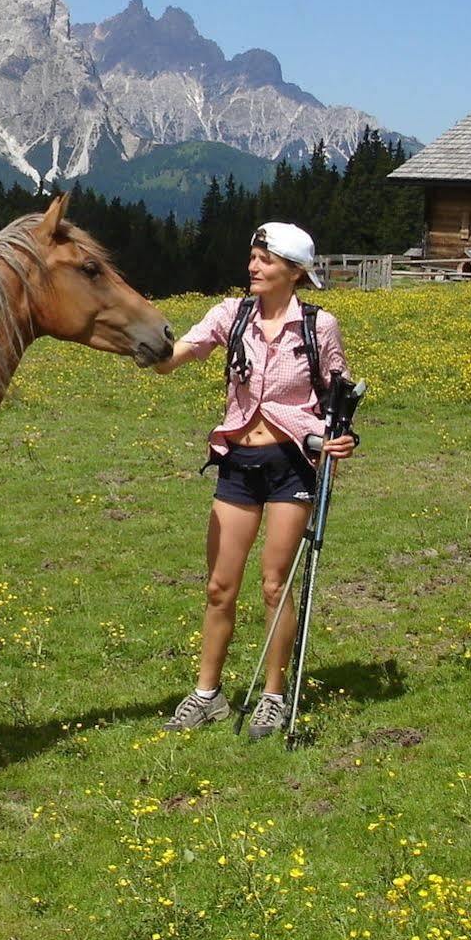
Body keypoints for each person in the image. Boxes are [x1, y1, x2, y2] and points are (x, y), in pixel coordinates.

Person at [154, 222, 357, 738]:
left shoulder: (319, 326)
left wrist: (344, 438)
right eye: (252, 257)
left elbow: (338, 396)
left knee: (273, 585)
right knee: (220, 586)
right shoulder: (231, 314)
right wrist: (154, 352)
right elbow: (186, 351)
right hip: (237, 463)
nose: (253, 267)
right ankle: (207, 695)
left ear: (294, 271)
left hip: (293, 464)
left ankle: (272, 697)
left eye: (265, 260)